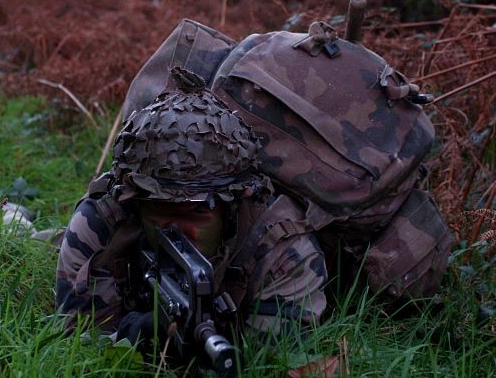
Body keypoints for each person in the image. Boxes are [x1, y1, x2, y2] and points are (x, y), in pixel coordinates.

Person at [56, 68, 451, 350]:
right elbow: (76, 339)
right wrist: (128, 338)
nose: (180, 230)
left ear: (233, 206)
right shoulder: (102, 219)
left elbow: (273, 368)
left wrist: (198, 348)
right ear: (133, 203)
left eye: (198, 214)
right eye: (161, 212)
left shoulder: (283, 250)